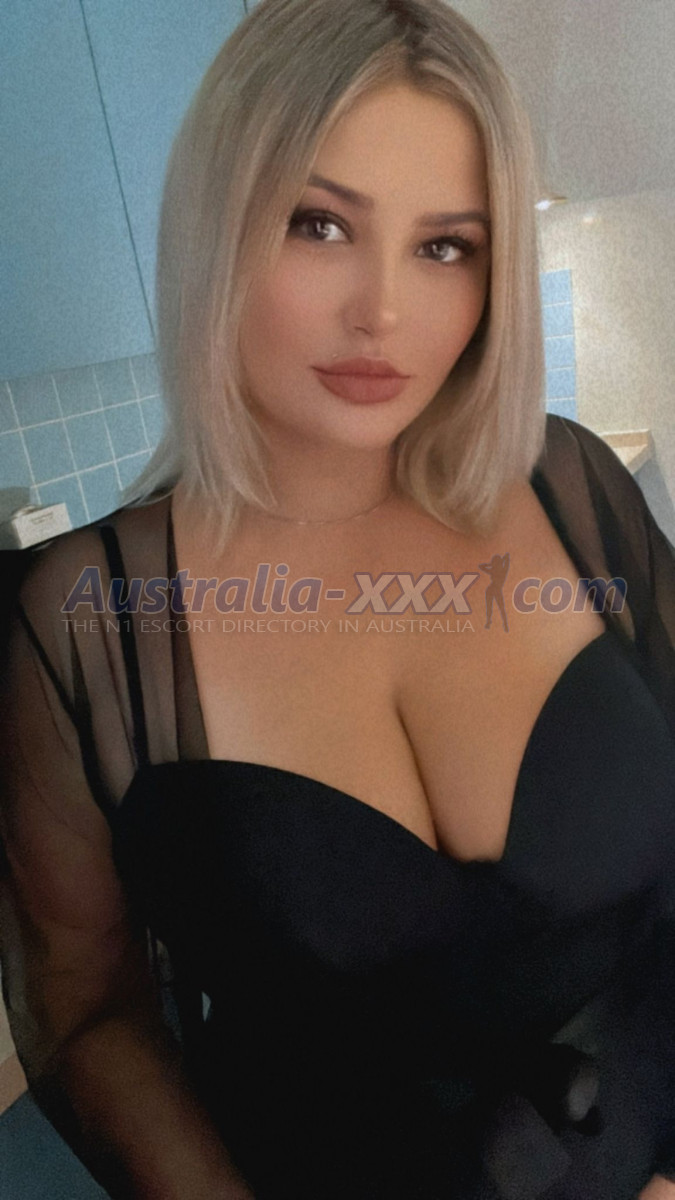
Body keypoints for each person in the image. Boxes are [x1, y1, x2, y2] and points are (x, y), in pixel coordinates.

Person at [1, 0, 675, 1196]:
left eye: (445, 245)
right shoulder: (90, 629)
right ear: (219, 228)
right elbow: (86, 1014)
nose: (383, 312)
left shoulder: (571, 487)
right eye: (319, 225)